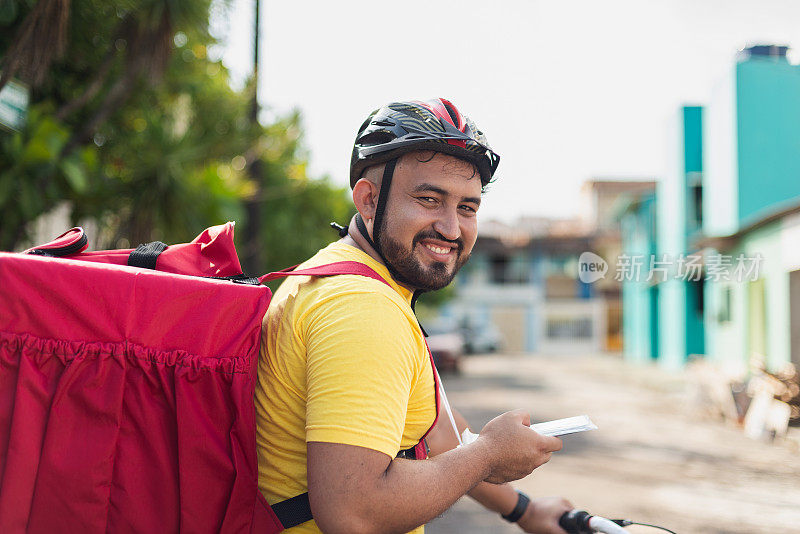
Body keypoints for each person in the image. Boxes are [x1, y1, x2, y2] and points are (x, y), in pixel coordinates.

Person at [255, 98, 573, 534]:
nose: (450, 228)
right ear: (368, 200)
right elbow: (353, 512)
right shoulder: (362, 309)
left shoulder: (344, 277)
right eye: (429, 199)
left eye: (467, 207)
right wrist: (488, 456)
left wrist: (525, 511)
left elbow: (437, 431)